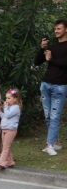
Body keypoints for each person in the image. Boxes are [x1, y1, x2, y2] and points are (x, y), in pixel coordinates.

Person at [36, 19, 67, 156]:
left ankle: (49, 145)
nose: (56, 31)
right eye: (55, 29)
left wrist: (51, 59)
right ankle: (55, 142)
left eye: (59, 28)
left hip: (60, 86)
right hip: (45, 84)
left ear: (66, 29)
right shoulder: (52, 47)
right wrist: (42, 48)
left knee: (54, 116)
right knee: (48, 116)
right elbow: (37, 62)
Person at [0, 88, 21, 170]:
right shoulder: (9, 107)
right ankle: (10, 161)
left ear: (15, 99)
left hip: (11, 130)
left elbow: (8, 115)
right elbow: (5, 117)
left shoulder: (16, 107)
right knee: (6, 146)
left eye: (9, 98)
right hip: (4, 129)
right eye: (6, 98)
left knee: (5, 147)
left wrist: (5, 107)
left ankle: (1, 163)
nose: (7, 100)